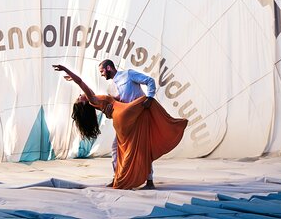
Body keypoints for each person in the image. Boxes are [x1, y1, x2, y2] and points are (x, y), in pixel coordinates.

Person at [53, 64, 187, 190]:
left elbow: (94, 91)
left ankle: (121, 178)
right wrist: (66, 69)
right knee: (135, 145)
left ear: (108, 68)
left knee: (125, 148)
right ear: (83, 104)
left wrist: (71, 77)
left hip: (124, 116)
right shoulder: (93, 99)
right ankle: (123, 178)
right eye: (79, 98)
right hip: (125, 115)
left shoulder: (96, 97)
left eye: (101, 71)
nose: (79, 95)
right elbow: (81, 82)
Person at [98, 59, 157, 188]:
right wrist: (108, 113)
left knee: (142, 148)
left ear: (108, 68)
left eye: (102, 71)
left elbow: (150, 81)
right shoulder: (110, 88)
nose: (101, 74)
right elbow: (114, 109)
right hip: (125, 122)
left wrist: (150, 98)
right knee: (115, 148)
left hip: (139, 117)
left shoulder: (128, 74)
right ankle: (118, 178)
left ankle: (149, 180)